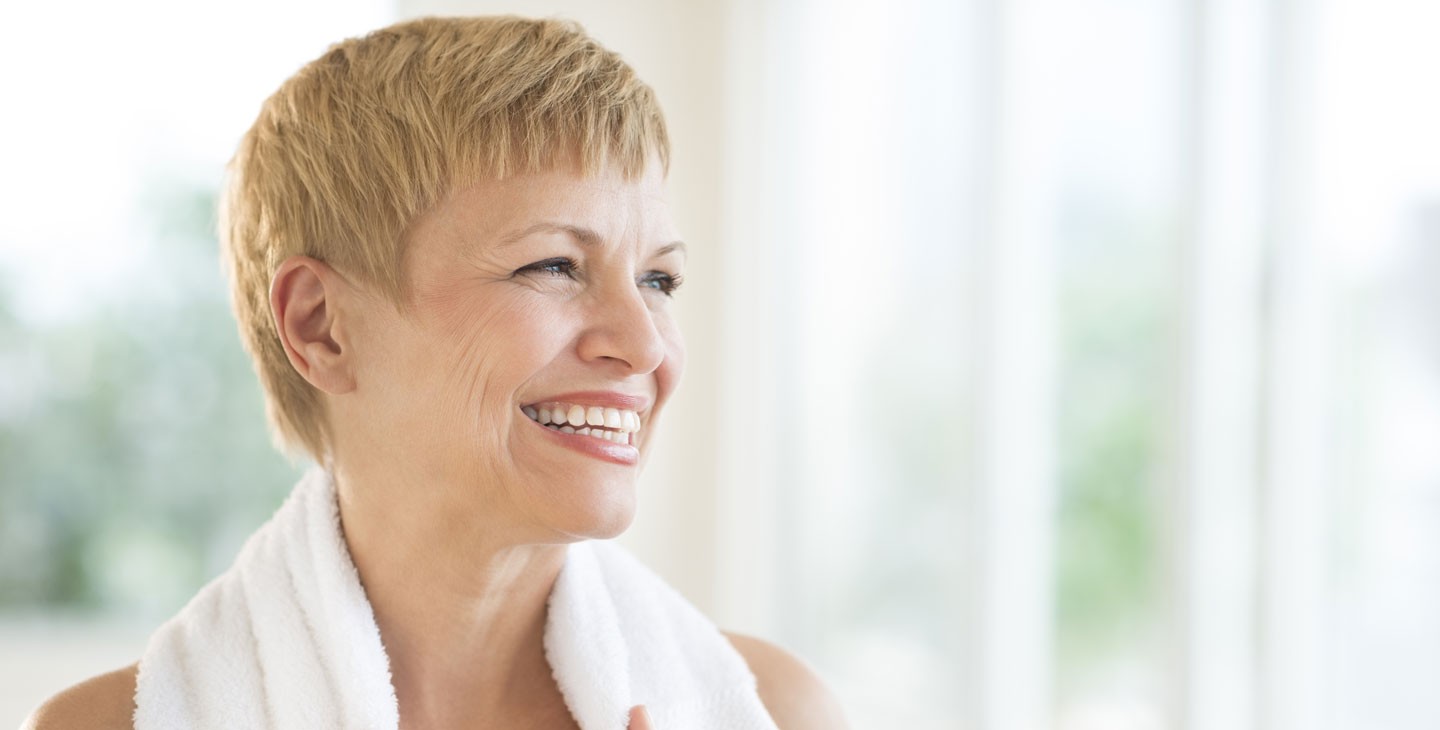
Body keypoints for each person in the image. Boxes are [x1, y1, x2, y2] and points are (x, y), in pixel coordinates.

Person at [24, 15, 848, 730]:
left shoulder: (777, 716)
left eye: (658, 280)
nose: (644, 344)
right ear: (322, 328)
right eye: (555, 266)